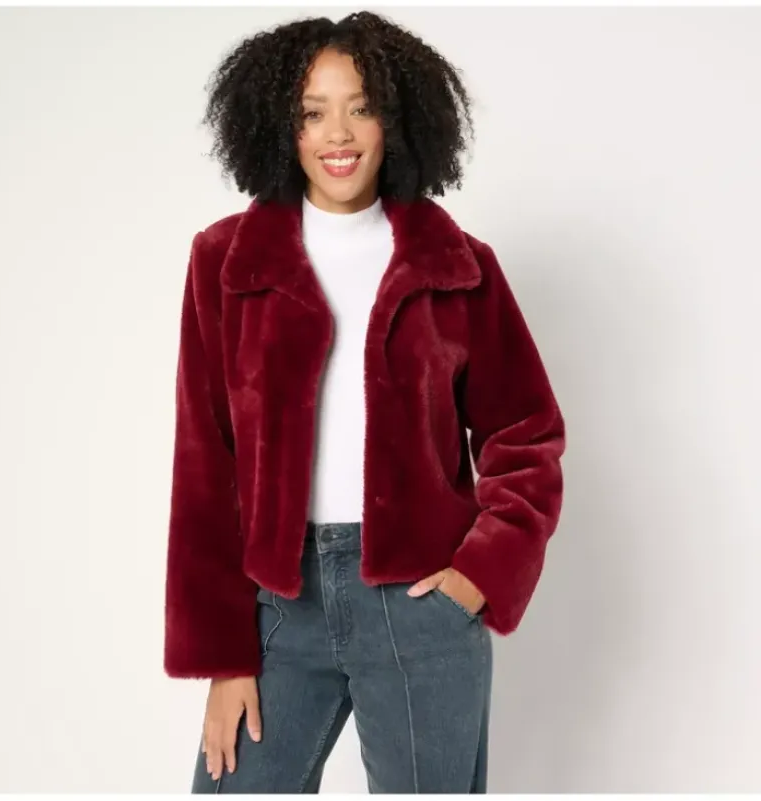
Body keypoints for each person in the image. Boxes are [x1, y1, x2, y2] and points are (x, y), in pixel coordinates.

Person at [163, 9, 566, 794]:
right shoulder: (226, 262)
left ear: (396, 119)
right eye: (312, 112)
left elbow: (527, 432)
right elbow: (204, 463)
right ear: (281, 125)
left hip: (421, 606)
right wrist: (222, 655)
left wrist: (477, 576)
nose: (338, 134)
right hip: (280, 608)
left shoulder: (458, 266)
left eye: (361, 106)